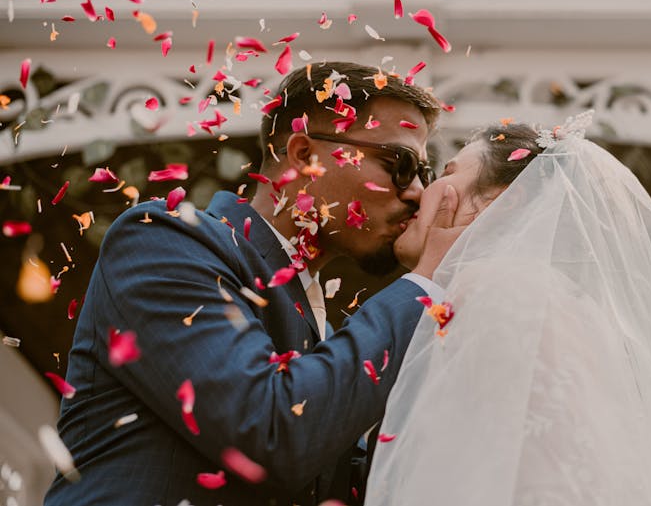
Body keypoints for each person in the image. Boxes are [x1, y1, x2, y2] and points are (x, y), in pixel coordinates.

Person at [44, 62, 464, 506]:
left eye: (425, 174)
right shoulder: (161, 239)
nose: (417, 192)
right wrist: (425, 285)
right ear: (304, 155)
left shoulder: (323, 328)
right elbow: (271, 430)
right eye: (399, 164)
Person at [364, 112, 651, 505]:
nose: (422, 190)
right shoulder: (562, 305)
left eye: (447, 171)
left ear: (503, 203)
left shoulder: (491, 291)